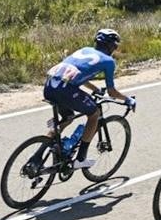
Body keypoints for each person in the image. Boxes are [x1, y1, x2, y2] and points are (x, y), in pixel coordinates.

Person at [41, 29, 135, 170]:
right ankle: (80, 158)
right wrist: (128, 100)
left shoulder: (85, 50)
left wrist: (94, 89)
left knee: (67, 118)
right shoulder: (108, 61)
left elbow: (76, 73)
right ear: (111, 46)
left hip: (49, 85)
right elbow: (112, 91)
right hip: (65, 89)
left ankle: (36, 158)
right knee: (94, 114)